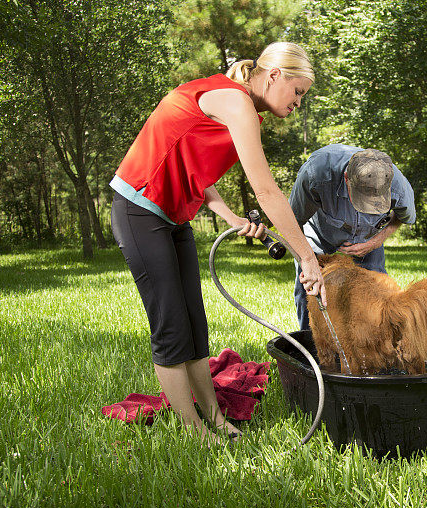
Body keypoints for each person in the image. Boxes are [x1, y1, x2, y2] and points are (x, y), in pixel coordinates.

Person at [110, 42, 326, 446]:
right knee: (171, 325)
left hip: (173, 216)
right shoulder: (236, 102)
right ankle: (193, 431)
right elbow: (266, 191)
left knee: (195, 324)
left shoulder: (236, 107)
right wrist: (307, 257)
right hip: (139, 210)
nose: (299, 103)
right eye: (297, 91)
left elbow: (191, 162)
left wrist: (230, 216)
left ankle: (212, 416)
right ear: (274, 75)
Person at [289, 144, 416, 331]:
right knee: (309, 292)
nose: (364, 208)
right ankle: (311, 345)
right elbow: (291, 221)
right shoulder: (317, 174)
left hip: (368, 241)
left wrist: (375, 242)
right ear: (347, 178)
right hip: (319, 236)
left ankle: (376, 348)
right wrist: (308, 261)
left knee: (378, 296)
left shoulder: (398, 185)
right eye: (361, 199)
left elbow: (403, 218)